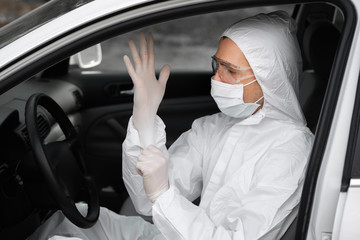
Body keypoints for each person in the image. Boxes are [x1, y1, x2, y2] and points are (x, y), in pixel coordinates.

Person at [29, 10, 313, 240]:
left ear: (269, 78)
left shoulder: (291, 150)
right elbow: (144, 201)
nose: (216, 79)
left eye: (231, 71)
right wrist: (144, 117)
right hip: (179, 233)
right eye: (217, 65)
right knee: (69, 219)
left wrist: (162, 194)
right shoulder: (215, 127)